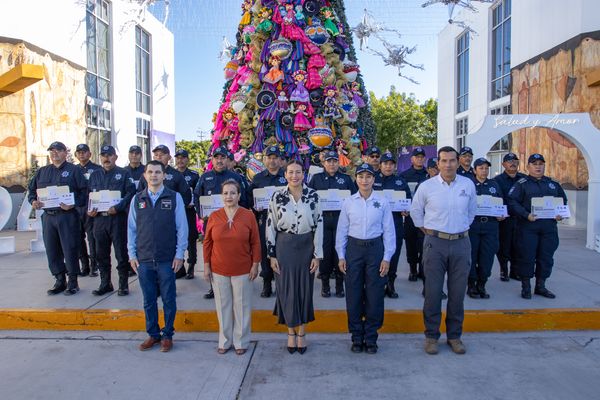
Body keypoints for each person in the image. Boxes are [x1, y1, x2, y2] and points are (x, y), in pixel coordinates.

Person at [410, 146, 477, 355]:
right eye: (444, 161)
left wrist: (458, 229)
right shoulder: (427, 187)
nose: (448, 164)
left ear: (458, 162)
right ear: (437, 163)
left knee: (457, 293)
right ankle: (431, 336)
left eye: (452, 160)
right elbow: (415, 211)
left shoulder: (468, 184)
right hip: (435, 244)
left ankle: (454, 336)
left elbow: (471, 212)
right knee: (433, 293)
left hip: (461, 243)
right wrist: (429, 231)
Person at [128, 160, 188, 353]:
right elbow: (131, 230)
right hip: (144, 259)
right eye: (150, 172)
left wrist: (180, 254)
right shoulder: (137, 199)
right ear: (145, 175)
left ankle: (167, 335)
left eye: (157, 172)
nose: (154, 175)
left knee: (169, 299)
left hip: (167, 259)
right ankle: (153, 334)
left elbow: (182, 228)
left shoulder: (174, 197)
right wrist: (131, 254)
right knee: (148, 300)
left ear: (164, 175)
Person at [336, 163, 395, 354]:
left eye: (368, 176)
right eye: (361, 176)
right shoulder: (349, 202)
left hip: (374, 249)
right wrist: (341, 255)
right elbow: (342, 230)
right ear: (356, 179)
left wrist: (387, 257)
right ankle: (356, 336)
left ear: (373, 179)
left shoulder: (383, 202)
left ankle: (371, 337)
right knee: (353, 293)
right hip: (354, 249)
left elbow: (389, 231)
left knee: (375, 293)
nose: (364, 180)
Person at [267, 160, 323, 355]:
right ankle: (291, 332)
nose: (294, 176)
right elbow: (270, 225)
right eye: (290, 172)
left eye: (298, 172)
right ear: (285, 174)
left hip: (307, 246)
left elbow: (319, 225)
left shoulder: (313, 196)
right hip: (284, 247)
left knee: (304, 289)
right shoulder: (277, 196)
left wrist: (317, 254)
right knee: (286, 289)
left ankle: (302, 333)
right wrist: (272, 254)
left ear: (303, 174)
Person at [203, 179, 260, 355]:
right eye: (226, 193)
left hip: (242, 268)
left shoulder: (248, 215)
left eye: (233, 193)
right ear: (222, 195)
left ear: (239, 195)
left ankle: (241, 341)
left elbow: (256, 242)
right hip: (219, 268)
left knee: (242, 306)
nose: (229, 196)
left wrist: (255, 264)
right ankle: (225, 340)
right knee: (223, 306)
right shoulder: (214, 216)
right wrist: (206, 265)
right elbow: (207, 242)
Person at [28, 141, 88, 295]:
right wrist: (33, 201)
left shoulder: (74, 171)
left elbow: (84, 192)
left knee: (70, 248)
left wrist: (73, 204)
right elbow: (32, 191)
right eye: (52, 151)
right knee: (52, 249)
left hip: (67, 216)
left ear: (65, 153)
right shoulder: (42, 172)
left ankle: (73, 281)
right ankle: (59, 279)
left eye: (58, 150)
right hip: (49, 217)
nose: (54, 153)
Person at [508, 153, 567, 300]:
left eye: (540, 164)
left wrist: (561, 214)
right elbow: (512, 202)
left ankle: (541, 286)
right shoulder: (522, 184)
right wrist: (525, 214)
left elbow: (563, 201)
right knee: (527, 257)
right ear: (528, 167)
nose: (538, 167)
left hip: (549, 228)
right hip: (528, 227)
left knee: (546, 258)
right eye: (534, 164)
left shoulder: (553, 184)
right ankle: (526, 287)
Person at [195, 146, 249, 299]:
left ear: (227, 160)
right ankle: (214, 286)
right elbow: (197, 197)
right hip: (211, 223)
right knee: (212, 253)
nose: (219, 160)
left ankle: (234, 283)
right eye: (216, 158)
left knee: (233, 251)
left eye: (222, 158)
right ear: (212, 160)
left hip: (233, 223)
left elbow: (244, 200)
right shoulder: (205, 177)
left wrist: (238, 217)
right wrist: (201, 214)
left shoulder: (236, 178)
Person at [87, 145, 136, 296]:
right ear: (100, 157)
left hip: (117, 219)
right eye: (103, 155)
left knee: (121, 253)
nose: (106, 158)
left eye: (109, 155)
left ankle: (123, 285)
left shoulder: (123, 173)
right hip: (99, 220)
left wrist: (119, 207)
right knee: (101, 254)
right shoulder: (94, 175)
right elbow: (89, 195)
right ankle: (105, 283)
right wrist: (90, 210)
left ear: (115, 157)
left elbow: (131, 193)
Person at [308, 150, 357, 298]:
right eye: (329, 161)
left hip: (341, 220)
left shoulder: (346, 179)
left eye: (335, 161)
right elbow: (309, 198)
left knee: (340, 252)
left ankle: (339, 284)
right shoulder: (316, 179)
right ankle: (325, 285)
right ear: (323, 163)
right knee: (324, 252)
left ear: (338, 162)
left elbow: (354, 198)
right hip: (322, 221)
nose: (332, 164)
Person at [249, 145, 287, 298]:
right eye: (269, 158)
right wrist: (255, 207)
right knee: (265, 250)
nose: (272, 161)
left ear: (280, 160)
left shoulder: (287, 177)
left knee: (282, 250)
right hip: (264, 219)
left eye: (275, 158)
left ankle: (281, 283)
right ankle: (266, 283)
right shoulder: (258, 179)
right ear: (264, 160)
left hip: (284, 219)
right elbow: (250, 198)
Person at [374, 151, 411, 298]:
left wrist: (406, 209)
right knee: (377, 254)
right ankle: (378, 284)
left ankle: (390, 283)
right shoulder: (372, 179)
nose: (388, 167)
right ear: (380, 165)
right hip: (376, 223)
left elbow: (408, 200)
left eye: (391, 164)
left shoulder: (400, 182)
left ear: (395, 166)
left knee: (393, 253)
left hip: (395, 223)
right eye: (385, 164)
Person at [467, 157, 504, 299]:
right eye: (481, 168)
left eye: (486, 168)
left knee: (487, 257)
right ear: (475, 170)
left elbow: (501, 203)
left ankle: (482, 284)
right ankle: (471, 285)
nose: (484, 171)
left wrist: (502, 214)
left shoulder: (494, 185)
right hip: (473, 226)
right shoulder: (469, 185)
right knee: (471, 256)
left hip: (490, 226)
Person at [493, 152, 526, 281]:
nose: (512, 163)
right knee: (504, 245)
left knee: (518, 245)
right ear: (503, 164)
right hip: (504, 219)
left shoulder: (524, 179)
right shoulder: (497, 181)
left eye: (515, 161)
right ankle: (503, 270)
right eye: (509, 161)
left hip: (521, 218)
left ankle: (514, 270)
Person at [400, 147, 428, 281]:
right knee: (411, 244)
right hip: (410, 216)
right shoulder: (404, 176)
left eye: (422, 157)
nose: (420, 159)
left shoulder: (429, 174)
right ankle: (412, 270)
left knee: (424, 244)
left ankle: (423, 270)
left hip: (426, 216)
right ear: (412, 159)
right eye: (417, 157)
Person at [75, 143, 101, 277]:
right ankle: (84, 265)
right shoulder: (73, 170)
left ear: (89, 154)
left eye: (84, 152)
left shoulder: (97, 169)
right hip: (76, 209)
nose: (81, 154)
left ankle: (93, 266)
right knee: (78, 238)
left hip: (91, 208)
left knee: (92, 238)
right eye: (79, 152)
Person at [174, 149, 200, 279]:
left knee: (191, 238)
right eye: (178, 158)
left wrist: (194, 203)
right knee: (175, 239)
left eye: (183, 157)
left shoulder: (194, 175)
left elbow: (198, 193)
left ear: (187, 160)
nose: (180, 160)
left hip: (188, 211)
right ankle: (179, 267)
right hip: (175, 213)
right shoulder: (170, 174)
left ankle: (191, 266)